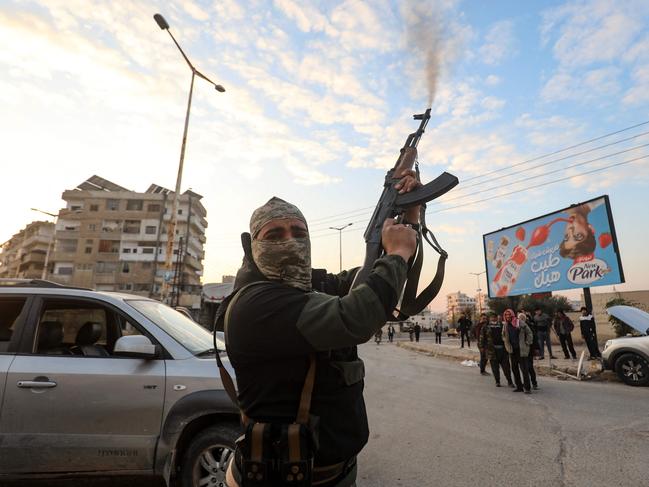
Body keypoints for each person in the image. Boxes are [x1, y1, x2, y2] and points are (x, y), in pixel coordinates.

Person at [221, 192, 419, 487]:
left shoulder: (311, 286)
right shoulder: (255, 304)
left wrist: (408, 219)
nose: (290, 240)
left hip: (331, 474)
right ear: (253, 246)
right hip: (283, 479)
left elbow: (380, 284)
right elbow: (357, 316)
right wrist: (398, 254)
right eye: (275, 234)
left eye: (299, 232)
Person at [502, 309, 534, 394]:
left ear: (512, 315)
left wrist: (528, 342)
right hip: (512, 351)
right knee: (514, 369)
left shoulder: (519, 322)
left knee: (524, 369)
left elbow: (529, 332)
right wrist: (507, 345)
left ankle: (527, 388)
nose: (508, 316)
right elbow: (504, 336)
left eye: (509, 315)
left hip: (521, 349)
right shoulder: (505, 325)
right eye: (506, 315)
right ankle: (519, 386)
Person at [479, 312, 513, 387]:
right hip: (492, 350)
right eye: (492, 317)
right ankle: (497, 381)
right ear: (490, 318)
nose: (493, 318)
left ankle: (510, 381)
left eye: (494, 317)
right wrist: (481, 347)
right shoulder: (485, 327)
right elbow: (481, 337)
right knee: (495, 368)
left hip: (503, 350)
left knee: (506, 367)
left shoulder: (502, 325)